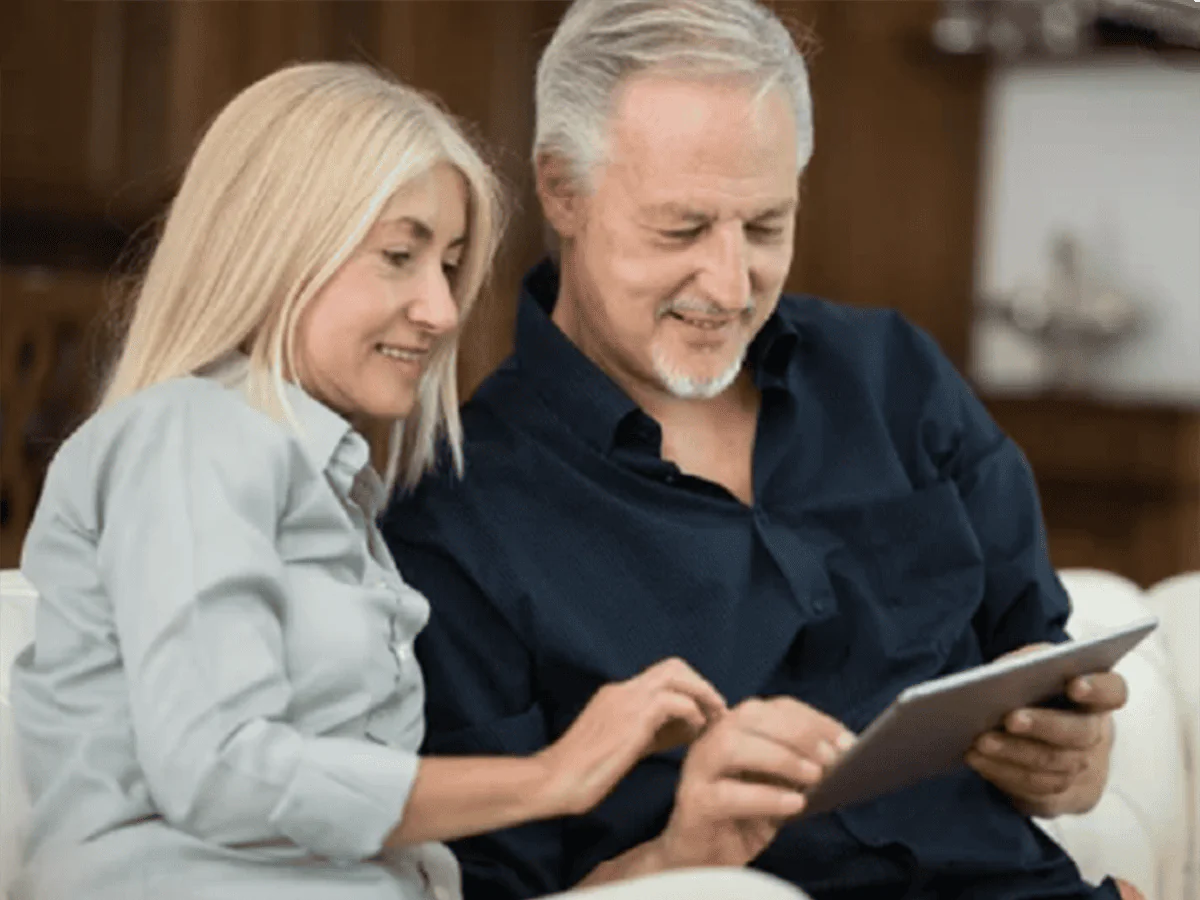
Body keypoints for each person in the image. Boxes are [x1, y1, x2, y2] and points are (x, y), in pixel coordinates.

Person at [381, 2, 1140, 899]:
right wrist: (683, 855)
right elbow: (496, 887)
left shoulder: (894, 376)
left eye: (767, 226)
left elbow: (1041, 667)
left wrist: (1072, 759)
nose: (732, 284)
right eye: (683, 229)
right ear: (562, 191)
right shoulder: (460, 514)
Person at [8, 62, 736, 900]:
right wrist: (550, 775)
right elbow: (218, 771)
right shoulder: (189, 432)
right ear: (277, 249)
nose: (442, 308)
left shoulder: (339, 504)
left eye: (451, 264)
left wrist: (676, 858)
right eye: (400, 255)